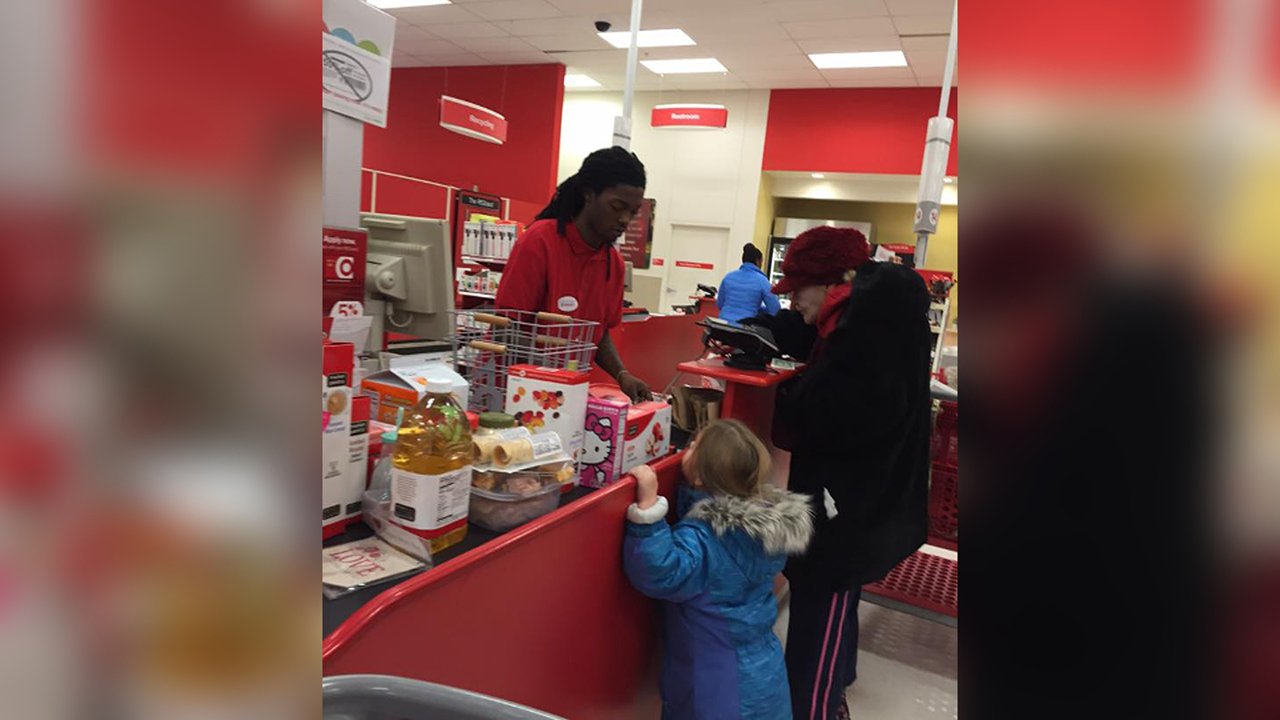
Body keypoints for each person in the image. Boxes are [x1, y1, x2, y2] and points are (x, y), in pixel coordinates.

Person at [754, 227, 932, 720]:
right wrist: (764, 329)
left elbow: (837, 415)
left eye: (798, 293)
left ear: (833, 283)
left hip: (853, 502)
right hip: (860, 495)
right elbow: (813, 338)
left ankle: (814, 707)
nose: (795, 305)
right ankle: (837, 684)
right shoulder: (864, 315)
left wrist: (790, 399)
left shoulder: (866, 330)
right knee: (836, 598)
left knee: (821, 598)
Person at [623, 420, 814, 720]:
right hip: (762, 673)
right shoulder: (761, 529)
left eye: (695, 445)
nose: (690, 445)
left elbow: (660, 572)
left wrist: (648, 508)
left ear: (699, 477)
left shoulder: (706, 538)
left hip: (717, 684)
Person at [497, 147, 652, 403]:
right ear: (589, 194)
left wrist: (622, 374)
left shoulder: (613, 264)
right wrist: (551, 379)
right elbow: (507, 328)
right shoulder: (539, 242)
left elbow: (597, 334)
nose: (625, 219)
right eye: (617, 206)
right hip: (515, 394)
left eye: (633, 212)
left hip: (564, 398)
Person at [717, 243, 781, 325]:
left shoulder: (728, 277)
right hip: (745, 327)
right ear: (758, 261)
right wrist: (760, 310)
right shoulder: (762, 281)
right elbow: (775, 310)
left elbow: (720, 304)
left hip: (723, 324)